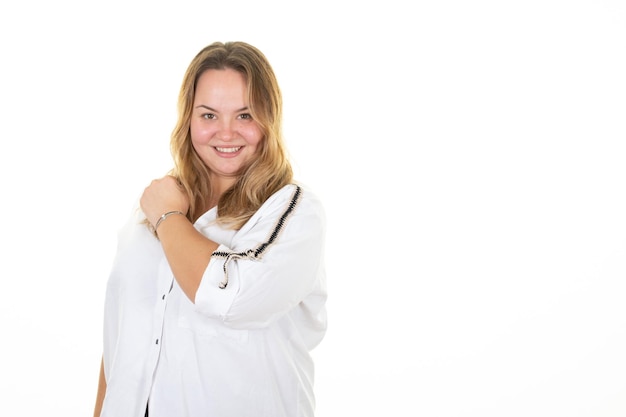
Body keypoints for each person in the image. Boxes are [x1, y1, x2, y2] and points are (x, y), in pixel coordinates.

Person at [92, 41, 327, 417]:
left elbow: (233, 298)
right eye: (209, 115)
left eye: (245, 115)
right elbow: (118, 340)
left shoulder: (293, 212)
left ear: (270, 119)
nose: (227, 132)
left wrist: (169, 219)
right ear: (188, 118)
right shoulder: (149, 209)